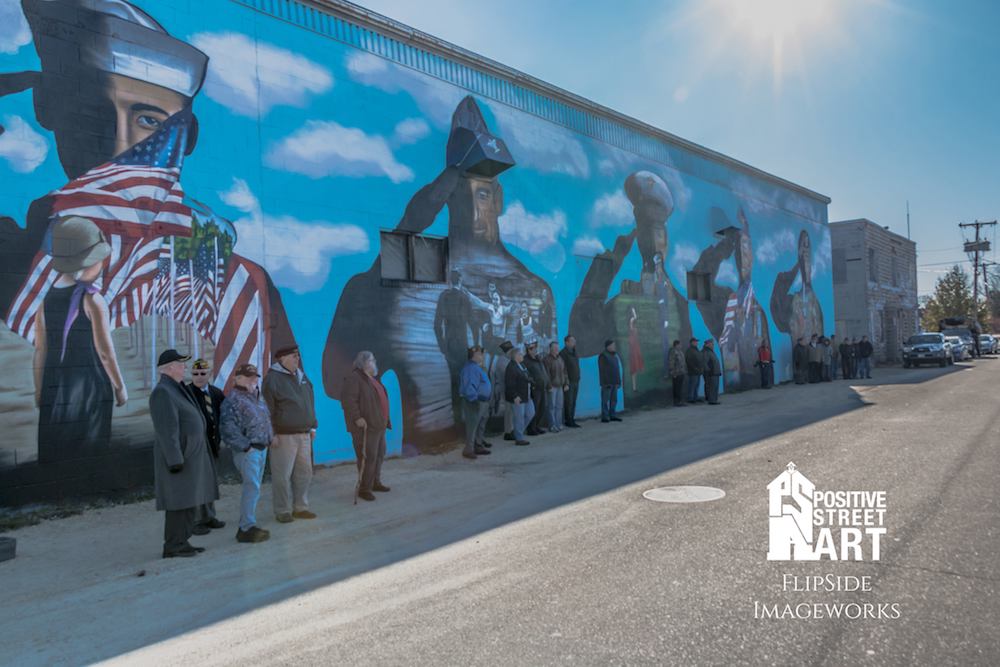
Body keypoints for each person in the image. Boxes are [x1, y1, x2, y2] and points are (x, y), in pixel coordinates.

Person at [32, 216, 127, 464]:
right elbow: (105, 352)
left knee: (57, 455)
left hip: (54, 387)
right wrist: (119, 387)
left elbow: (40, 349)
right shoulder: (93, 300)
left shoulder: (45, 301)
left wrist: (40, 390)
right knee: (88, 456)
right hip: (89, 390)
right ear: (87, 261)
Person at [149, 349, 217, 558]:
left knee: (189, 501)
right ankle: (173, 545)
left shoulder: (176, 389)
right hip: (180, 460)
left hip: (190, 457)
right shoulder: (163, 392)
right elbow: (167, 430)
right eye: (181, 364)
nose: (184, 368)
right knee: (178, 503)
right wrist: (175, 459)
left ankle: (182, 541)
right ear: (169, 368)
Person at [262, 343, 318, 522]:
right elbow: (266, 410)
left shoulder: (302, 377)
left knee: (305, 472)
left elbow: (310, 401)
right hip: (283, 436)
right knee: (282, 475)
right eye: (294, 357)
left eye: (298, 356)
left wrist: (313, 426)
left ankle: (300, 507)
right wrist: (272, 434)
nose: (297, 359)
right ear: (282, 358)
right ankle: (283, 510)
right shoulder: (272, 379)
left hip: (304, 433)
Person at [219, 364, 272, 544]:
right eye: (249, 377)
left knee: (254, 488)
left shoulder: (255, 397)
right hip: (248, 451)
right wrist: (246, 447)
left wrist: (270, 438)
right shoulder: (233, 400)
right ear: (238, 378)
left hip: (261, 449)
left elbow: (264, 420)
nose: (253, 380)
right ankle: (245, 528)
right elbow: (228, 429)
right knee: (252, 488)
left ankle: (248, 524)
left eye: (255, 377)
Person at [341, 351, 393, 501]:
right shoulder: (354, 378)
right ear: (364, 363)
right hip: (366, 427)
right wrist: (357, 418)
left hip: (379, 425)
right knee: (368, 457)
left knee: (379, 454)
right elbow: (348, 401)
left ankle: (375, 483)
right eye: (372, 360)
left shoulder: (372, 379)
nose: (375, 362)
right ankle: (364, 488)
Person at [185, 358, 226, 535]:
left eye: (203, 373)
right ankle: (195, 520)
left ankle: (209, 516)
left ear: (209, 374)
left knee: (209, 483)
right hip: (195, 447)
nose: (199, 377)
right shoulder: (186, 393)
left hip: (212, 445)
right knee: (195, 485)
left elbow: (222, 417)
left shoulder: (216, 393)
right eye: (195, 374)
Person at [458, 346, 492, 459]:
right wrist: (474, 399)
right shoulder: (470, 368)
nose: (482, 356)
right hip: (474, 401)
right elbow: (469, 386)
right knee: (472, 426)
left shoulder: (475, 367)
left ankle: (478, 445)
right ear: (475, 355)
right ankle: (468, 450)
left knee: (478, 424)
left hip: (481, 400)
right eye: (480, 354)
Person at [503, 347, 533, 446]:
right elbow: (509, 383)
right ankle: (519, 438)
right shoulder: (511, 367)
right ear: (516, 356)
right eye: (520, 354)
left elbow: (527, 376)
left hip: (527, 395)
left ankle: (517, 432)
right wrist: (515, 396)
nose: (522, 355)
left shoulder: (521, 365)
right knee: (519, 418)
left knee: (530, 413)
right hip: (518, 397)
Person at [523, 341, 550, 435]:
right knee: (534, 409)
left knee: (542, 408)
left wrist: (547, 384)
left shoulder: (538, 359)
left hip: (542, 388)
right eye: (531, 348)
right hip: (535, 389)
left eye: (534, 348)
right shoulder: (525, 360)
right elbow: (526, 374)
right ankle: (531, 429)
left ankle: (537, 426)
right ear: (527, 350)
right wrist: (533, 383)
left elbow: (543, 372)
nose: (533, 350)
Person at [542, 341, 568, 433]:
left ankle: (558, 424)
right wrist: (549, 386)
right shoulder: (546, 360)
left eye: (557, 347)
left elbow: (565, 372)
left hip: (560, 386)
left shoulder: (560, 359)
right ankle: (552, 425)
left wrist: (566, 384)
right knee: (551, 407)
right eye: (555, 348)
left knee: (559, 406)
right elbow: (546, 375)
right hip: (552, 387)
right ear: (551, 349)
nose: (557, 349)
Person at [494, 340, 517, 441]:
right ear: (508, 351)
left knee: (511, 411)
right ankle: (508, 432)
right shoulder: (502, 361)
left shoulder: (506, 360)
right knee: (509, 411)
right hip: (506, 389)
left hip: (510, 389)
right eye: (511, 350)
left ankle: (511, 430)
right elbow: (510, 374)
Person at [560, 335, 582, 428]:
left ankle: (572, 419)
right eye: (572, 341)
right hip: (569, 382)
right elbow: (563, 369)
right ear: (567, 342)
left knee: (573, 401)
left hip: (576, 380)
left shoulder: (574, 352)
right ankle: (568, 420)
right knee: (568, 402)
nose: (574, 342)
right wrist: (566, 382)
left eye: (574, 340)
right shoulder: (563, 354)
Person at [598, 339, 623, 422]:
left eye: (614, 345)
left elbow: (617, 370)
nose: (614, 347)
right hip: (607, 383)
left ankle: (612, 415)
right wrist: (606, 383)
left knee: (614, 400)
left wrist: (619, 382)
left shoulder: (614, 356)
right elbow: (603, 371)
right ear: (608, 347)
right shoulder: (603, 356)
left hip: (615, 382)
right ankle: (605, 417)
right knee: (605, 400)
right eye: (612, 345)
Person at [626, 307, 644, 392]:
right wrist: (634, 311)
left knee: (635, 369)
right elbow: (634, 319)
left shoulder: (633, 327)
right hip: (633, 349)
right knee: (634, 369)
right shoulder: (631, 325)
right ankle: (634, 387)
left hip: (635, 348)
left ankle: (634, 387)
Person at [668, 340, 687, 406]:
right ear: (676, 345)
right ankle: (676, 402)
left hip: (681, 372)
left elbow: (682, 362)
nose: (681, 346)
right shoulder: (673, 352)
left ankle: (680, 401)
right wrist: (673, 372)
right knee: (676, 388)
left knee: (680, 388)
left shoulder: (680, 352)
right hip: (676, 373)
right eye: (680, 344)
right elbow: (671, 362)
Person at [685, 338, 704, 403]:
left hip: (697, 371)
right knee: (693, 385)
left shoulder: (696, 349)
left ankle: (695, 397)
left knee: (696, 385)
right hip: (693, 371)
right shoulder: (690, 350)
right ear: (692, 342)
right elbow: (689, 361)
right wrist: (695, 368)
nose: (697, 343)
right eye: (695, 341)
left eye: (696, 341)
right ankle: (690, 398)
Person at [702, 340, 722, 405]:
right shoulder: (707, 352)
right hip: (712, 372)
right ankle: (712, 400)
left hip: (715, 372)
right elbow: (705, 362)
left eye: (713, 344)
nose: (713, 345)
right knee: (713, 387)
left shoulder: (710, 351)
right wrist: (709, 370)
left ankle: (714, 399)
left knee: (715, 386)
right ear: (707, 344)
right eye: (711, 344)